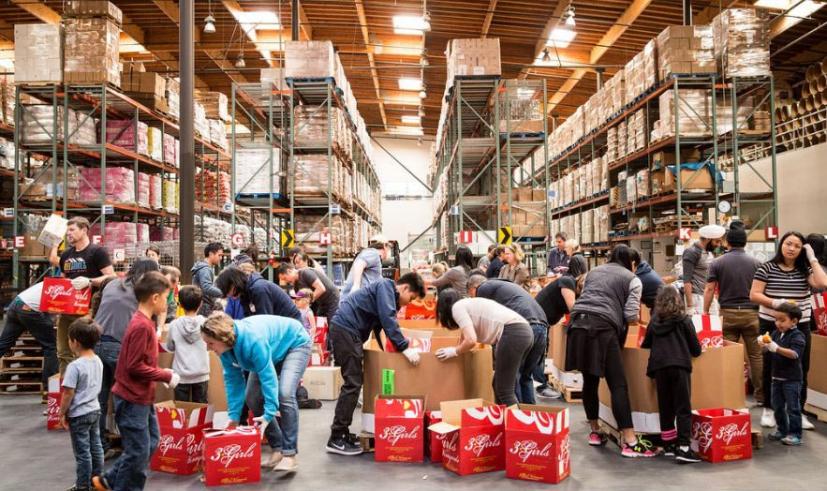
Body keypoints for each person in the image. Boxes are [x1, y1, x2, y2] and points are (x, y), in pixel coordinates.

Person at [93, 272, 179, 491]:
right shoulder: (142, 326)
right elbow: (134, 366)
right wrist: (165, 375)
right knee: (138, 452)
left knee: (149, 443)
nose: (168, 303)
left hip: (140, 397)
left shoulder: (143, 322)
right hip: (132, 397)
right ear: (155, 298)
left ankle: (109, 480)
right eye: (166, 297)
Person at [326, 273, 426, 456]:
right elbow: (388, 319)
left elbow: (380, 325)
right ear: (404, 288)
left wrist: (388, 353)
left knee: (354, 382)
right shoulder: (385, 286)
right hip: (346, 330)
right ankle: (336, 437)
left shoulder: (385, 293)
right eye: (410, 298)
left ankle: (343, 433)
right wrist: (404, 347)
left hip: (348, 332)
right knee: (352, 383)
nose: (408, 304)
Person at [565, 245, 650, 457]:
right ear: (631, 262)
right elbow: (631, 314)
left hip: (577, 323)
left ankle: (595, 431)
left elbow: (586, 295)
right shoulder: (632, 279)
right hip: (602, 327)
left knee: (590, 380)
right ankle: (630, 441)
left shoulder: (593, 272)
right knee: (618, 384)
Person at [202, 312, 311, 471]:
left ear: (222, 338)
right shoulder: (224, 350)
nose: (208, 348)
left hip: (295, 343)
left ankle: (289, 454)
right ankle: (278, 448)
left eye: (210, 343)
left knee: (285, 393)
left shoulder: (252, 340)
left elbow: (268, 377)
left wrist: (269, 413)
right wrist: (233, 416)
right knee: (252, 397)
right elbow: (233, 382)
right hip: (272, 350)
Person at [750, 231, 827, 430]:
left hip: (799, 325)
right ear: (781, 244)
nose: (792, 248)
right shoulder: (766, 268)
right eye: (788, 244)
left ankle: (798, 411)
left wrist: (812, 258)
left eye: (797, 246)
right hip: (771, 323)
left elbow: (823, 283)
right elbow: (754, 294)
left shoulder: (805, 270)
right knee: (770, 364)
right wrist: (777, 303)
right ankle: (769, 409)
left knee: (801, 365)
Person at [93, 259, 161, 458]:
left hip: (97, 342)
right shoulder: (144, 291)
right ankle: (131, 447)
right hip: (119, 345)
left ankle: (100, 446)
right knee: (127, 397)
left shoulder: (114, 283)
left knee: (101, 398)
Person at [435, 288, 533, 408]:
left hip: (513, 332)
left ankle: (516, 424)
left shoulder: (457, 308)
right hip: (523, 332)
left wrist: (454, 351)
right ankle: (504, 421)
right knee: (498, 385)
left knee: (504, 390)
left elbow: (470, 340)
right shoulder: (467, 304)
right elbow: (464, 338)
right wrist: (458, 349)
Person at [640, 287, 702, 464]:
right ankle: (683, 447)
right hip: (679, 365)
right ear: (678, 301)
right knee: (682, 407)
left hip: (659, 367)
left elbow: (646, 344)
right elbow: (696, 350)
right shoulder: (684, 320)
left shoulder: (653, 322)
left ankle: (668, 445)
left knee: (665, 406)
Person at [703, 221, 762, 406]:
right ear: (745, 242)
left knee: (728, 355)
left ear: (727, 242)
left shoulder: (717, 263)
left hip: (727, 314)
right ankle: (761, 396)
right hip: (752, 314)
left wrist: (705, 311)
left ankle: (731, 393)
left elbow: (709, 289)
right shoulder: (757, 263)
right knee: (756, 356)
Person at [467, 274, 549, 404]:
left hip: (523, 328)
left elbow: (483, 320)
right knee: (525, 377)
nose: (473, 299)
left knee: (509, 381)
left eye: (471, 295)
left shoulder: (483, 288)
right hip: (542, 328)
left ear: (473, 288)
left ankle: (514, 420)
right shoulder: (506, 287)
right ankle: (529, 419)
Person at [49, 216, 116, 374]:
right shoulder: (66, 255)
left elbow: (111, 277)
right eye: (67, 230)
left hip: (88, 310)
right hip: (67, 310)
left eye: (72, 230)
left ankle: (87, 385)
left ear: (84, 230)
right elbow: (65, 280)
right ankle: (67, 387)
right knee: (63, 350)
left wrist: (90, 281)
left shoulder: (97, 252)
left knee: (85, 350)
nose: (68, 234)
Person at [533, 256, 589, 398]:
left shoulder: (569, 281)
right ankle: (541, 386)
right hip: (538, 319)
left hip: (541, 319)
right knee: (539, 352)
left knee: (540, 351)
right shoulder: (567, 281)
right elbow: (573, 308)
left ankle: (540, 384)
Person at [59, 318, 104, 491]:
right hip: (95, 410)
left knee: (82, 453)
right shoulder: (98, 361)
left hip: (79, 414)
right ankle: (97, 482)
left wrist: (62, 412)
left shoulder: (75, 366)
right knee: (96, 447)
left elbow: (68, 392)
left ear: (75, 342)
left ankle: (83, 486)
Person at [758, 302, 806, 446]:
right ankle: (782, 430)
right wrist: (764, 345)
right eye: (776, 319)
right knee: (777, 406)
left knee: (793, 408)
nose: (778, 323)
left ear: (794, 321)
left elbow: (795, 354)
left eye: (782, 320)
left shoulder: (798, 335)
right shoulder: (776, 333)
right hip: (776, 377)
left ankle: (795, 434)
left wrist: (776, 348)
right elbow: (767, 351)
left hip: (792, 379)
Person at [0, 281, 58, 394]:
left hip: (16, 303)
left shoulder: (51, 282)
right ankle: (50, 389)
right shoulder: (67, 287)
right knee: (51, 347)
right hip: (28, 308)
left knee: (3, 344)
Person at [163, 286, 209, 403]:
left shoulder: (174, 324)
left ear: (181, 304)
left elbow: (170, 347)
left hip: (181, 375)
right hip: (201, 373)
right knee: (201, 413)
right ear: (200, 304)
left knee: (181, 411)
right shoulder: (206, 323)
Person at [215, 266, 301, 321]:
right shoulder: (244, 293)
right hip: (279, 324)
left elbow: (265, 320)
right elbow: (248, 318)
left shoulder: (259, 289)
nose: (229, 296)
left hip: (291, 324)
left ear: (234, 284)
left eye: (228, 291)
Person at [682, 224, 725, 315]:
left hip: (707, 295)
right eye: (717, 241)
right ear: (708, 239)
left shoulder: (708, 252)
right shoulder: (692, 252)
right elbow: (687, 280)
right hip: (696, 298)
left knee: (714, 326)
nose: (718, 245)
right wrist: (690, 306)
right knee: (699, 328)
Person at [191, 242, 225, 317]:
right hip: (204, 306)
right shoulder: (205, 269)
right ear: (211, 254)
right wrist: (224, 293)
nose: (221, 258)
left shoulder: (204, 267)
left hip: (201, 304)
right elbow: (206, 287)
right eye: (219, 255)